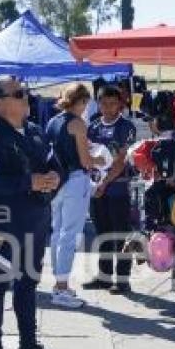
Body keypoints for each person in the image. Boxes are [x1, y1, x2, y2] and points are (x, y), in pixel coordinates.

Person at [0, 75, 64, 349]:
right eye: (19, 93)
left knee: (29, 282)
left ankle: (28, 345)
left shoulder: (35, 131)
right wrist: (31, 181)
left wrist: (54, 179)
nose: (27, 97)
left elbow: (56, 165)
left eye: (26, 92)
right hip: (3, 221)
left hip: (36, 219)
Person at [46, 83, 104, 309]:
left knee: (58, 233)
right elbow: (86, 161)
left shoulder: (53, 121)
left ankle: (59, 282)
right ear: (80, 102)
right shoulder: (78, 123)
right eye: (85, 103)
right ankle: (61, 287)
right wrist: (102, 160)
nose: (86, 107)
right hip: (74, 180)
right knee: (70, 235)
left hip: (57, 182)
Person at [83, 86, 138, 294]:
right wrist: (93, 184)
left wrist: (104, 183)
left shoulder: (126, 127)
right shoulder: (93, 126)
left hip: (117, 189)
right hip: (96, 189)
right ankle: (104, 277)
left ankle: (123, 280)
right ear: (98, 103)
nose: (108, 107)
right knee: (102, 234)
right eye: (104, 103)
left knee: (120, 235)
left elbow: (121, 161)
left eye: (113, 103)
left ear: (120, 104)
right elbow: (89, 156)